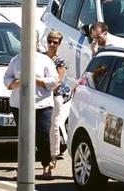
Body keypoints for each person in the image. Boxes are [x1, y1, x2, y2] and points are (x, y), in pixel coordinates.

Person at [4, 50, 58, 177]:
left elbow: (54, 81)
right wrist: (16, 83)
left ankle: (46, 164)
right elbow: (7, 78)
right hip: (20, 104)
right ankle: (23, 168)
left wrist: (35, 80)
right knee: (24, 137)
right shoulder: (16, 60)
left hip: (42, 105)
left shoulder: (45, 60)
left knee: (43, 135)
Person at [44, 31, 71, 177]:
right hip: (41, 96)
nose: (52, 44)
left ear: (60, 44)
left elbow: (58, 80)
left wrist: (43, 85)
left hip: (54, 96)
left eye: (55, 42)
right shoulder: (41, 57)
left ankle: (53, 156)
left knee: (53, 125)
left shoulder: (59, 61)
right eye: (50, 41)